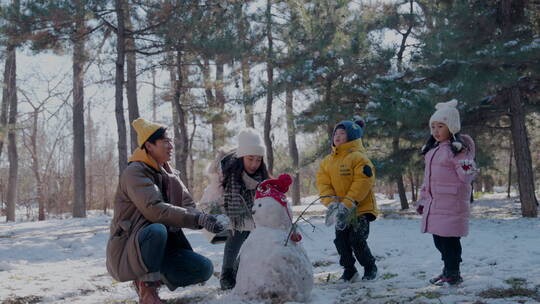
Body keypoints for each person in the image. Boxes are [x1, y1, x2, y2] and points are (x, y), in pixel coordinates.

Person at [106, 118, 225, 304]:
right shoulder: (135, 172)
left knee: (204, 269)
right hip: (131, 248)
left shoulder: (171, 174)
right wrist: (197, 218)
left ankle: (152, 276)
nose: (170, 146)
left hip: (163, 248)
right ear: (149, 146)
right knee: (157, 229)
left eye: (170, 141)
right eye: (165, 142)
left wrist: (209, 217)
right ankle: (147, 290)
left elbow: (189, 208)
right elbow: (155, 210)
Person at [416, 100, 478, 286]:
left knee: (450, 242)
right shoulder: (433, 151)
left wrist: (465, 163)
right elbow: (428, 181)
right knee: (439, 241)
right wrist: (422, 200)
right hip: (435, 205)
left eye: (440, 126)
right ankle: (447, 271)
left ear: (451, 127)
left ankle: (453, 272)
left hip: (452, 203)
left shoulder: (458, 150)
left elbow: (467, 176)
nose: (435, 130)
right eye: (433, 126)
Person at [316, 118, 379, 283]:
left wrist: (348, 203)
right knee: (341, 241)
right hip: (340, 210)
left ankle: (370, 266)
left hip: (360, 209)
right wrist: (331, 203)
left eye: (342, 133)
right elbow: (323, 184)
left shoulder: (359, 158)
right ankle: (349, 269)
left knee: (356, 239)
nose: (337, 136)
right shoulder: (327, 162)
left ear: (352, 136)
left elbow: (363, 181)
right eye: (336, 133)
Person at [209, 129, 270, 290]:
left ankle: (237, 271)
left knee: (255, 239)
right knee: (237, 235)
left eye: (258, 160)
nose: (254, 164)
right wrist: (223, 215)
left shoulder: (261, 175)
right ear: (242, 156)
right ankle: (226, 274)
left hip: (254, 213)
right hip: (232, 213)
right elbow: (217, 195)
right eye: (250, 159)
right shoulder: (229, 173)